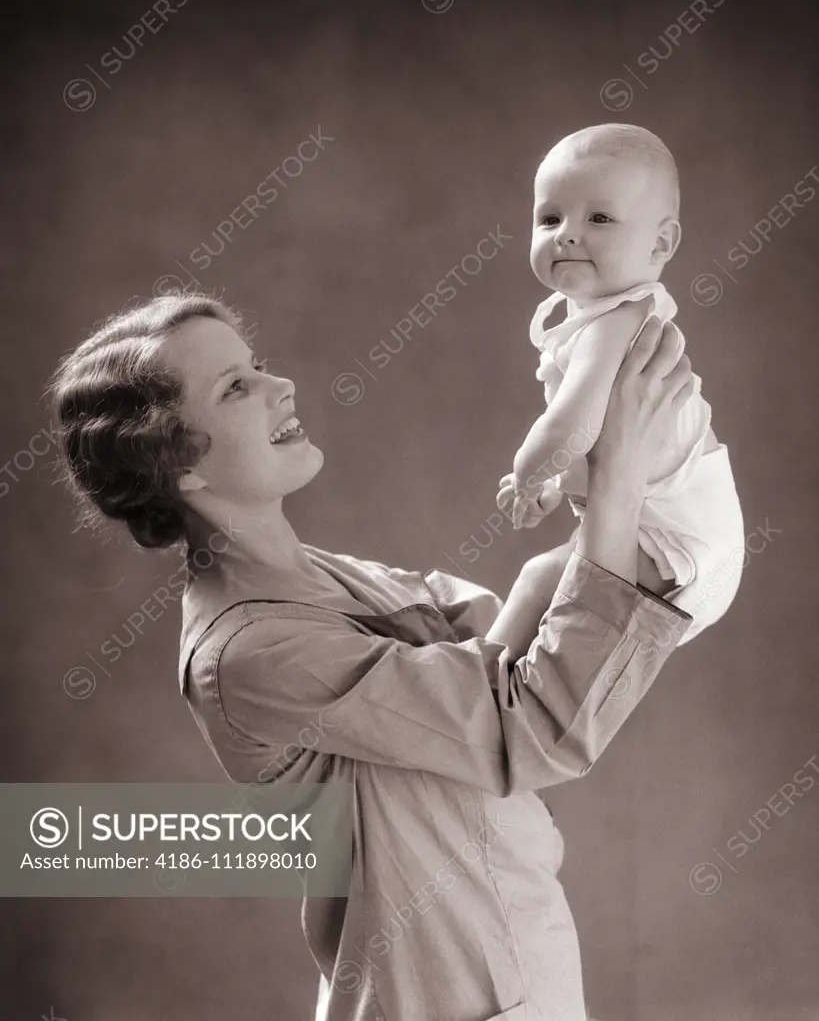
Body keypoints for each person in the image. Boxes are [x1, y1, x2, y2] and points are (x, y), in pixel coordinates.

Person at [47, 290, 694, 1021]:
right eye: (235, 387)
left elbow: (505, 660)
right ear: (178, 465)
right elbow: (533, 723)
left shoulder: (319, 573)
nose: (278, 385)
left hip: (523, 968)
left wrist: (608, 489)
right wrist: (615, 485)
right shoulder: (247, 652)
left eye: (256, 364)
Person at [498, 123, 744, 643]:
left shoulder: (617, 319)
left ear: (660, 243)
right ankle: (480, 684)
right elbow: (592, 448)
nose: (566, 232)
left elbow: (573, 428)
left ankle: (466, 682)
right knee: (546, 595)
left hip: (678, 539)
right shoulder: (596, 316)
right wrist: (551, 484)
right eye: (549, 217)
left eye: (600, 218)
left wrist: (527, 471)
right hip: (659, 531)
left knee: (543, 587)